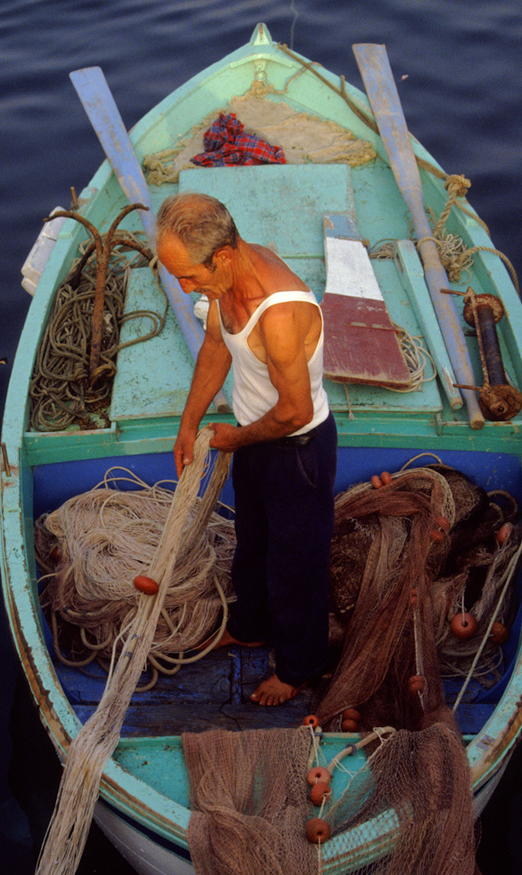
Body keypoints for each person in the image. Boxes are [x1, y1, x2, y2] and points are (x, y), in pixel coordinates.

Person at [156, 192, 337, 706]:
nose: (185, 288)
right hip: (256, 439)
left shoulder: (279, 312)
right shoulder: (223, 279)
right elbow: (216, 347)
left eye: (189, 277)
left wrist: (234, 438)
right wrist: (189, 424)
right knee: (252, 540)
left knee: (295, 565)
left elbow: (295, 411)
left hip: (298, 450)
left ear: (224, 256)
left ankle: (300, 667)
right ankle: (253, 626)